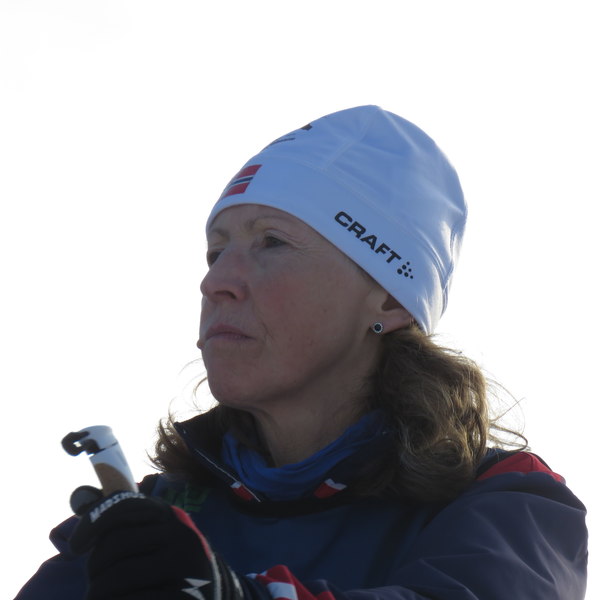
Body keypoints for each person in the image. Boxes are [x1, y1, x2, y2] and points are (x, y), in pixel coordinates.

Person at [16, 105, 587, 600]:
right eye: (216, 252)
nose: (216, 282)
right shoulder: (153, 518)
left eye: (271, 242)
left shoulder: (510, 501)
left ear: (390, 298)